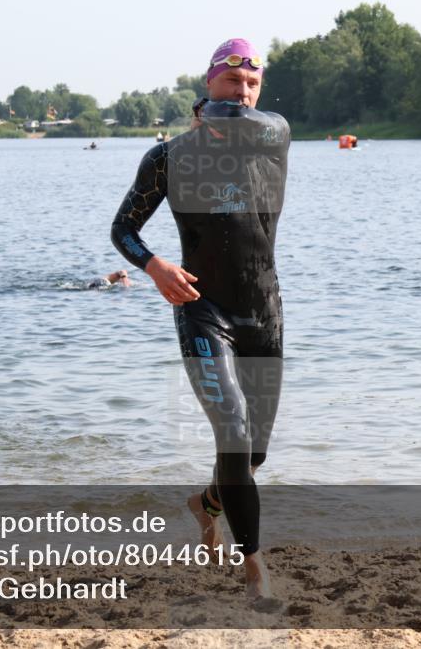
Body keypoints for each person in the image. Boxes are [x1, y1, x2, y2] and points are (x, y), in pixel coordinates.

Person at [110, 38, 289, 607]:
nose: (243, 92)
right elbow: (123, 229)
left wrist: (219, 110)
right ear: (208, 82)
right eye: (232, 81)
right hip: (202, 311)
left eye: (252, 83)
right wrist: (155, 266)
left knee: (253, 455)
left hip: (263, 311)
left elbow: (235, 122)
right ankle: (255, 568)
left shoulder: (273, 136)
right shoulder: (168, 158)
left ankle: (206, 504)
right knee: (232, 431)